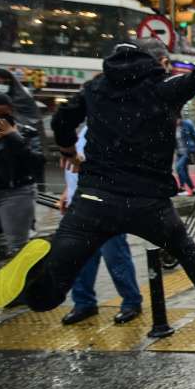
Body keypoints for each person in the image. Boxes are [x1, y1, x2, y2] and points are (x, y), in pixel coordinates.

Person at [0, 5, 195, 324]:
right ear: (154, 63)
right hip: (147, 203)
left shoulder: (94, 90)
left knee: (49, 296)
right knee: (183, 247)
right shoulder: (164, 90)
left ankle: (36, 279)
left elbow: (61, 120)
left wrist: (69, 151)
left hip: (93, 201)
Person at [58, 125, 141, 326]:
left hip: (107, 204)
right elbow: (74, 169)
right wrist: (67, 192)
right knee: (80, 258)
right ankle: (83, 303)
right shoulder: (84, 129)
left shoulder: (114, 128)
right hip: (80, 204)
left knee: (115, 256)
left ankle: (131, 301)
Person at [0, 92, 43, 256]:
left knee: (17, 248)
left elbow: (37, 161)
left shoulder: (26, 132)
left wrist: (14, 137)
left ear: (11, 111)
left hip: (15, 192)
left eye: (3, 115)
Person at [174, 116, 195, 196]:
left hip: (188, 152)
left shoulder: (187, 124)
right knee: (183, 171)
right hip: (179, 153)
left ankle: (182, 188)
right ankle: (194, 190)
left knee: (179, 168)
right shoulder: (173, 127)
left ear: (180, 118)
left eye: (176, 119)